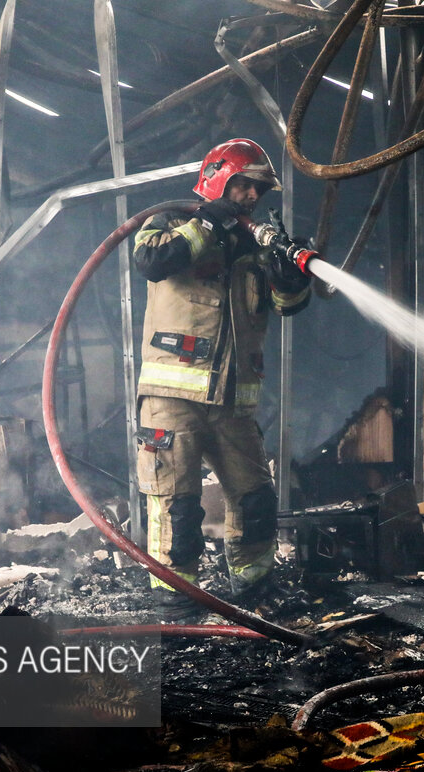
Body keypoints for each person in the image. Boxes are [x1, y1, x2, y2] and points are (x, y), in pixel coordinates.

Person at [130, 138, 312, 619]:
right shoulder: (171, 223)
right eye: (245, 184)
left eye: (259, 189)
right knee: (178, 504)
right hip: (173, 396)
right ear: (218, 178)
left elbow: (287, 307)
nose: (253, 196)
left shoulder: (255, 245)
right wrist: (208, 223)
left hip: (233, 401)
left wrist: (289, 276)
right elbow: (151, 262)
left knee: (255, 498)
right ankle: (176, 600)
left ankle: (255, 589)